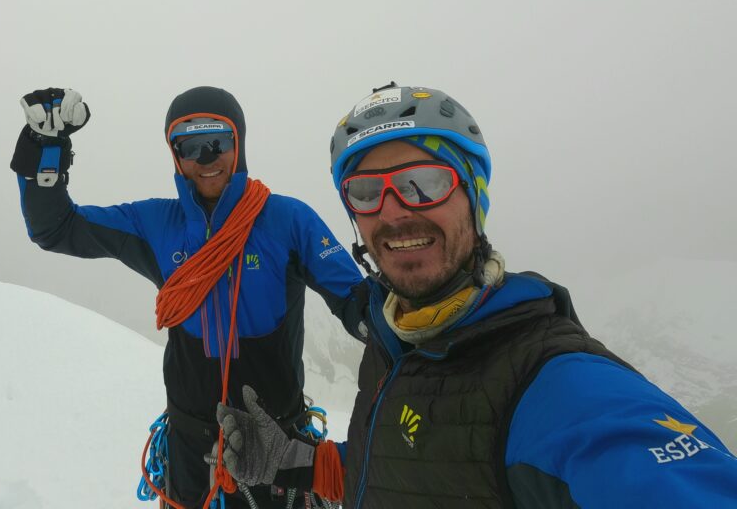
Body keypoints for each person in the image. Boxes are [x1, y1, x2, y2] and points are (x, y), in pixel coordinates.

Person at [214, 83, 737, 508]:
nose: (393, 210)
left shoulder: (557, 387)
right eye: (366, 193)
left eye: (423, 182)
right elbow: (403, 465)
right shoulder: (396, 342)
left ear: (473, 195)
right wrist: (296, 462)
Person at [9, 86, 366, 508]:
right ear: (175, 155)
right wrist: (45, 149)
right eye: (189, 147)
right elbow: (56, 229)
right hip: (189, 456)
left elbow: (359, 307)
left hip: (278, 452)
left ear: (239, 143)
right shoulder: (156, 224)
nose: (206, 158)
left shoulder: (287, 221)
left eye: (218, 142)